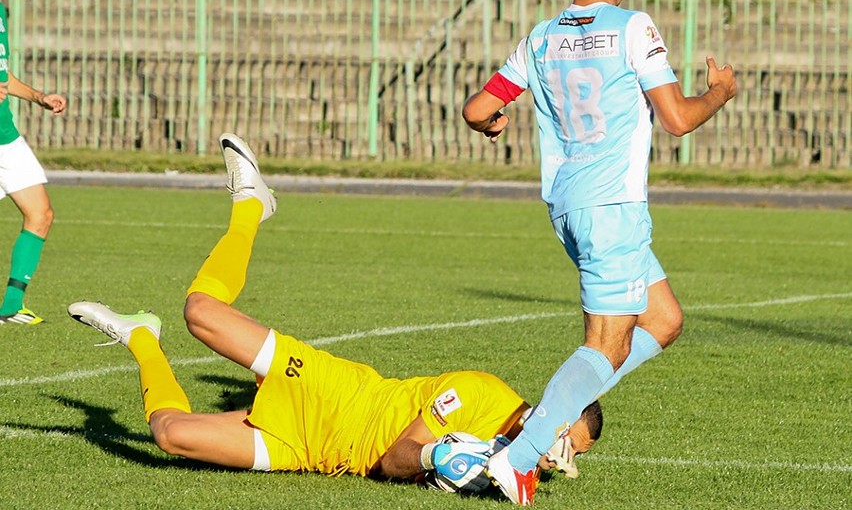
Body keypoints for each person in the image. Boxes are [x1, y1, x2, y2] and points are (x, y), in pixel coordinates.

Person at [68, 133, 602, 491]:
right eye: (563, 440)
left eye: (567, 457)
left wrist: (465, 467)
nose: (556, 459)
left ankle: (141, 338)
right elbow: (398, 458)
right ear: (553, 408)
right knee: (201, 311)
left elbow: (385, 472)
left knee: (169, 435)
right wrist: (435, 458)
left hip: (310, 449)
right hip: (328, 389)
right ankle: (251, 204)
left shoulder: (507, 470)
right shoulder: (482, 393)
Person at [462, 0, 736, 505]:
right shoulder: (633, 27)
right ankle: (522, 453)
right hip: (612, 208)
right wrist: (720, 91)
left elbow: (477, 107)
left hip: (569, 207)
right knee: (605, 347)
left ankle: (552, 418)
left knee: (662, 320)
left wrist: (493, 123)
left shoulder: (538, 38)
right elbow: (678, 118)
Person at [0, 1, 67, 325]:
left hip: (6, 137)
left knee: (40, 214)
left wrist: (39, 97)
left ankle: (11, 306)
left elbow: (3, 75)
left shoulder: (1, 9)